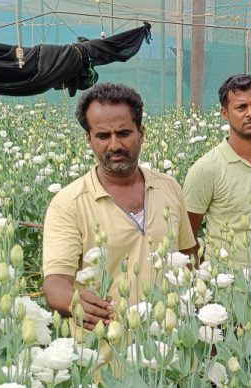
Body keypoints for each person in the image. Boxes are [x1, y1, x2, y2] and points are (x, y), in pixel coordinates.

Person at [42, 82, 197, 330]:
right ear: (89, 140)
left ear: (141, 133)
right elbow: (55, 282)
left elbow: (188, 257)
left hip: (170, 348)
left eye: (124, 133)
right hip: (104, 353)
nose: (114, 145)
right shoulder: (69, 203)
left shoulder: (169, 188)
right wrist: (74, 302)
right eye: (103, 136)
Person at [183, 74, 251, 265]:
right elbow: (186, 237)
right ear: (225, 113)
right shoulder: (206, 169)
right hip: (228, 286)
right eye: (241, 107)